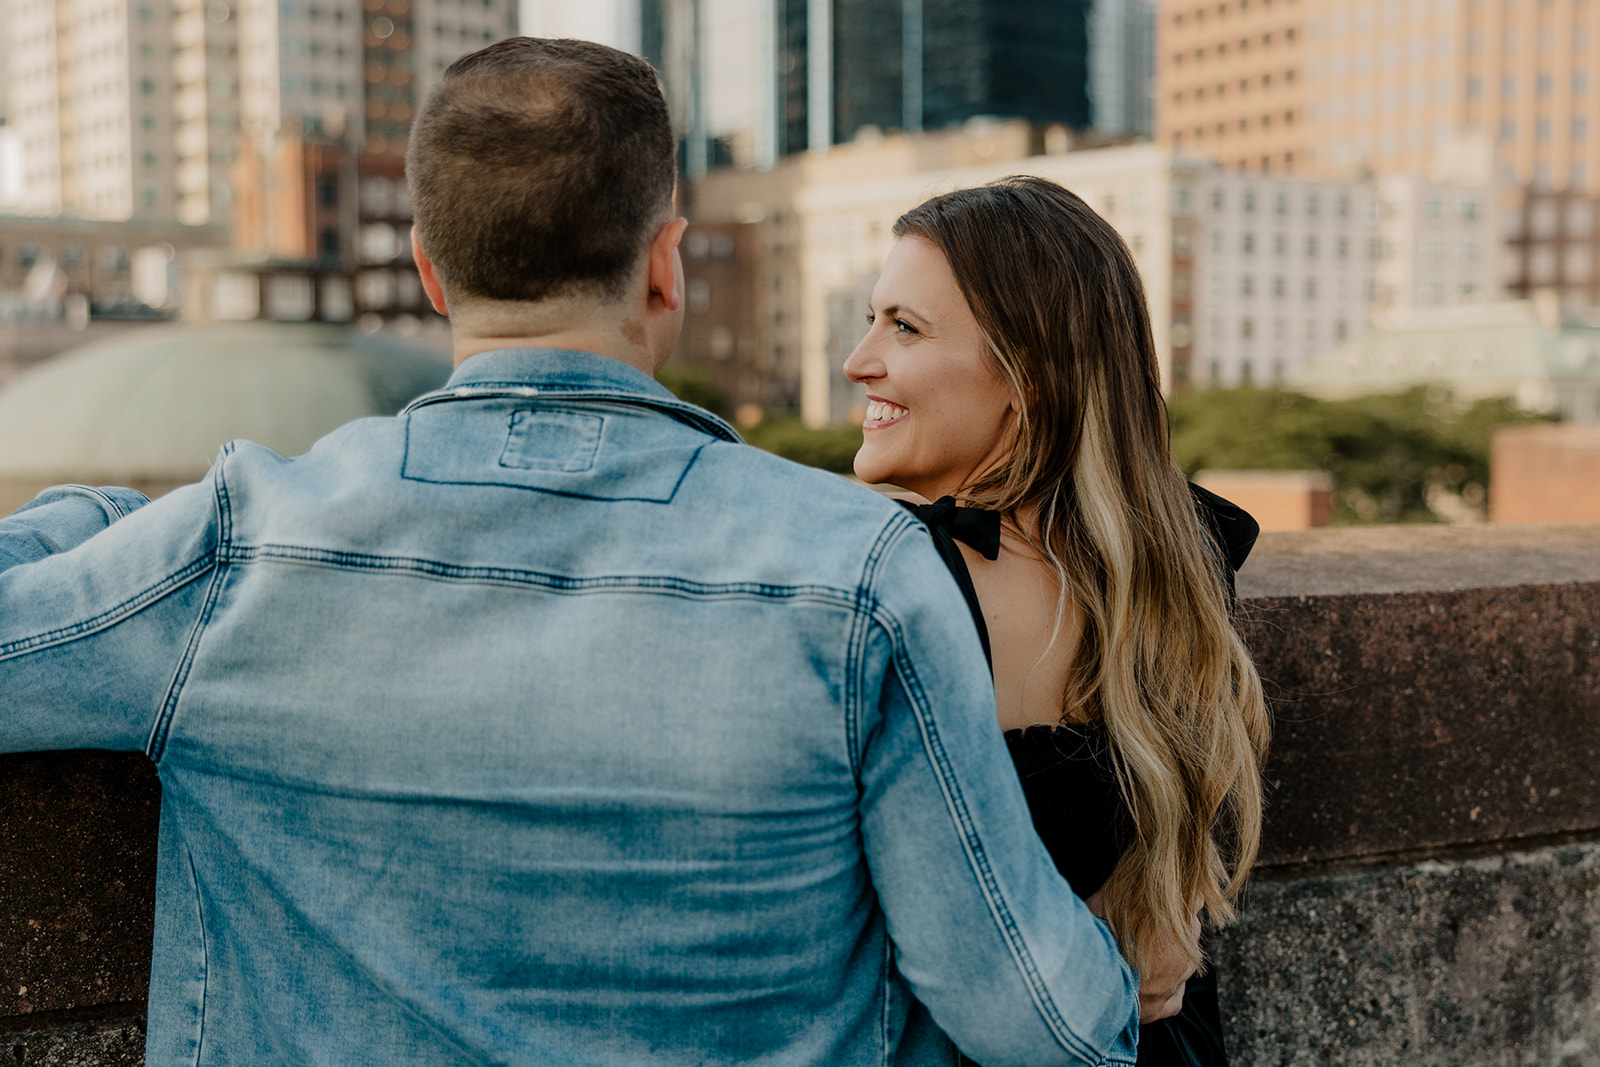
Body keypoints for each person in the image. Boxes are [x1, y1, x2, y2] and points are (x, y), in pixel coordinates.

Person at [0, 42, 1145, 1066]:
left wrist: (105, 518)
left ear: (430, 271)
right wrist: (1123, 979)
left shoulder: (234, 547)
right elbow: (1034, 1020)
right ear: (666, 264)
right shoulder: (865, 572)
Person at [843, 176, 1272, 1066]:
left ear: (1025, 375)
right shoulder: (1182, 560)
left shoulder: (894, 582)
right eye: (873, 317)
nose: (859, 360)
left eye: (904, 327)